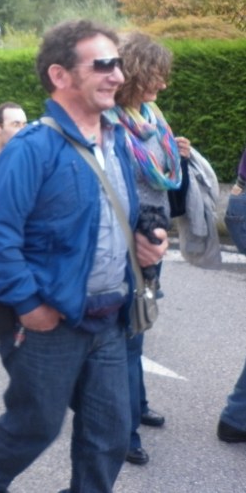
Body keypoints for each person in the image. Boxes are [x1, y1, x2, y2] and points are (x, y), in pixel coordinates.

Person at [0, 20, 168, 493]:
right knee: (36, 425)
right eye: (103, 65)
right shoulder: (32, 148)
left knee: (111, 434)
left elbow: (118, 214)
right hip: (50, 322)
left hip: (109, 319)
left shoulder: (119, 142)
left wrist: (147, 240)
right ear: (60, 75)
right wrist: (29, 306)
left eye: (118, 64)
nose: (118, 75)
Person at [105, 32, 191, 466]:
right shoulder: (110, 123)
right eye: (155, 74)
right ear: (136, 73)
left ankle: (136, 406)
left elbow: (162, 177)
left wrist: (180, 156)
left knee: (138, 328)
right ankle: (123, 432)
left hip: (153, 235)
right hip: (126, 239)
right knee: (124, 335)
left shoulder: (150, 117)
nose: (163, 83)